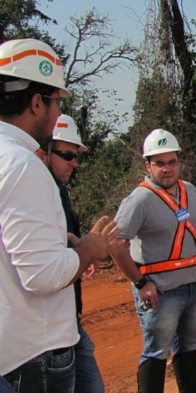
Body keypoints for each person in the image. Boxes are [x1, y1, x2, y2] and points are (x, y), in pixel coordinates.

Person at [0, 38, 120, 390]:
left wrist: (61, 243)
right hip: (36, 352)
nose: (57, 114)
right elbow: (42, 275)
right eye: (55, 101)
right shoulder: (24, 165)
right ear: (36, 102)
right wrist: (90, 249)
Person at [112, 129, 196, 393]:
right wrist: (140, 283)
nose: (167, 169)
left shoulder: (189, 190)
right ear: (148, 165)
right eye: (159, 163)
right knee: (156, 353)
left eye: (172, 161)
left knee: (188, 347)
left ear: (179, 161)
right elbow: (115, 244)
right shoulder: (139, 200)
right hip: (161, 292)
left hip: (193, 287)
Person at [42, 114, 105, 392]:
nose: (74, 163)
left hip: (68, 318)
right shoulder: (34, 190)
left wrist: (79, 251)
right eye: (67, 155)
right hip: (45, 331)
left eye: (76, 155)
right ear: (44, 151)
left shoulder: (61, 191)